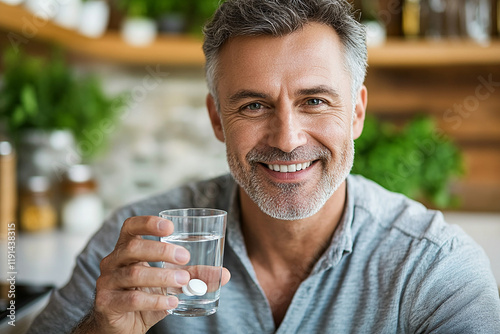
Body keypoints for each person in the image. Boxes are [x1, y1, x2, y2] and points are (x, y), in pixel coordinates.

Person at [28, 0, 500, 333]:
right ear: (217, 119)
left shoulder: (434, 268)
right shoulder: (137, 244)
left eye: (314, 101)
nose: (287, 138)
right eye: (254, 106)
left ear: (356, 113)